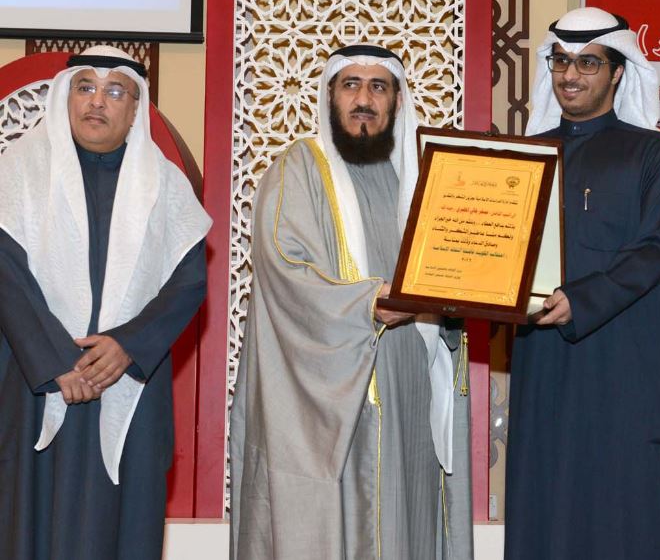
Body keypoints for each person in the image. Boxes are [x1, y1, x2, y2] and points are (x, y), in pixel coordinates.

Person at [230, 43, 472, 560]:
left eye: (378, 87)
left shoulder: (422, 179)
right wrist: (368, 304)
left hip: (410, 384)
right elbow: (285, 268)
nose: (364, 99)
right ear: (330, 96)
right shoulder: (297, 169)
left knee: (408, 521)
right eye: (351, 86)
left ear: (397, 101)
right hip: (333, 394)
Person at [0, 46, 210, 559]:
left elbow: (187, 284)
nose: (97, 101)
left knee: (122, 528)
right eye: (86, 87)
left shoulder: (164, 184)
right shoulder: (20, 171)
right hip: (35, 385)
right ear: (66, 97)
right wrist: (56, 361)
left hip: (129, 386)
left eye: (115, 91)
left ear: (135, 109)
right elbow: (6, 273)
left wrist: (126, 347)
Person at [505, 7, 660, 559]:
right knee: (545, 516)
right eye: (561, 61)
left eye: (588, 63)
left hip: (623, 379)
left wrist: (579, 300)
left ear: (618, 71)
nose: (570, 75)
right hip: (545, 373)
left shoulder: (655, 154)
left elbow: (656, 250)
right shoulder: (526, 158)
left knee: (622, 523)